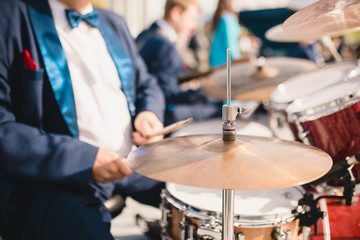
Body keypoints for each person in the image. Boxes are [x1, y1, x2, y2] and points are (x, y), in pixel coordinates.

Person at [0, 0, 166, 239]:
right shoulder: (10, 15)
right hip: (58, 179)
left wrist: (149, 113)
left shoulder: (114, 22)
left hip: (132, 162)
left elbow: (146, 84)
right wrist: (85, 159)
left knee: (200, 192)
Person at [136, 0, 222, 126]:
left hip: (151, 108)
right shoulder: (162, 44)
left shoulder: (149, 34)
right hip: (156, 114)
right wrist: (202, 93)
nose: (193, 26)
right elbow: (165, 92)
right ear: (175, 13)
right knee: (218, 110)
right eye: (191, 19)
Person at [209, 0, 241, 67]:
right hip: (224, 61)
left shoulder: (222, 17)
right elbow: (229, 42)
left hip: (216, 60)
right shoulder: (227, 18)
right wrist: (237, 59)